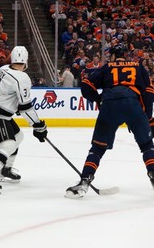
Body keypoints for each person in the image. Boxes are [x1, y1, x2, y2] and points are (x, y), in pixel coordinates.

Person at [65, 44, 154, 199]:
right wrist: (147, 115)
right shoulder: (139, 67)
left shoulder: (106, 68)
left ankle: (84, 181)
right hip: (133, 105)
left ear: (112, 56)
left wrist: (98, 99)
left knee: (97, 149)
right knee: (147, 146)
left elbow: (86, 86)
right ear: (125, 55)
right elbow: (148, 91)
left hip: (110, 105)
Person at [0, 46, 48, 195]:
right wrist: (38, 125)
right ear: (26, 60)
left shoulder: (2, 69)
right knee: (8, 144)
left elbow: (6, 94)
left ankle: (5, 169)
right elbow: (25, 107)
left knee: (18, 137)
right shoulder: (23, 78)